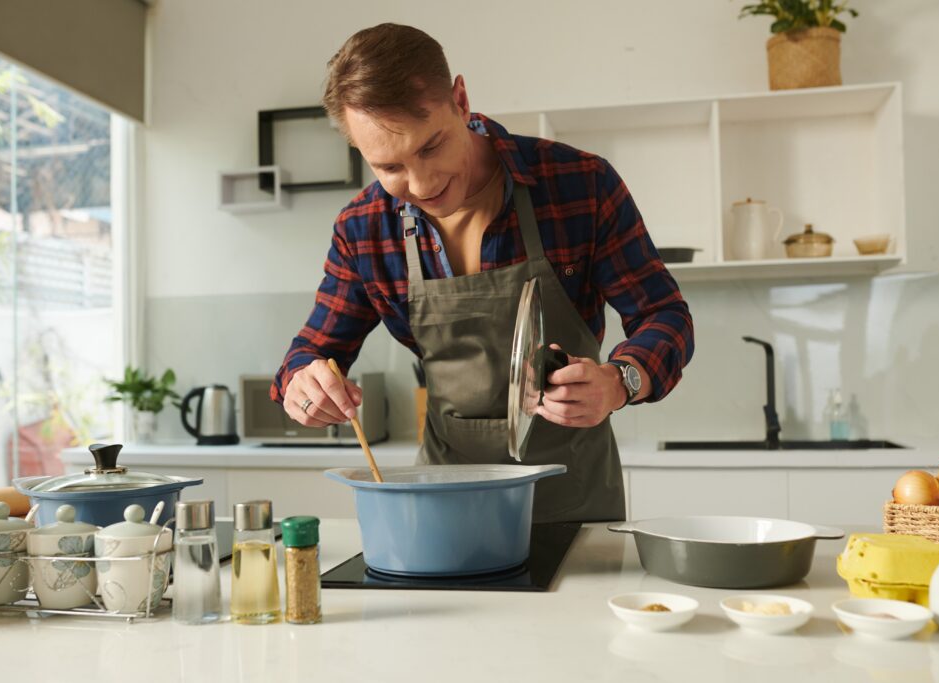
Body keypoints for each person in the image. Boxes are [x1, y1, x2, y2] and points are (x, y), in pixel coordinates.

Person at [271, 23, 694, 523]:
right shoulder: (364, 228)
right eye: (389, 167)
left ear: (461, 100)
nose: (422, 183)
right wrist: (304, 385)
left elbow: (663, 315)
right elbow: (312, 353)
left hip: (573, 499)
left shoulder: (580, 184)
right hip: (445, 504)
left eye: (430, 147)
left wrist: (621, 380)